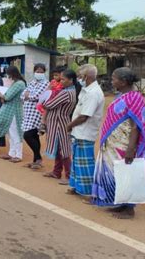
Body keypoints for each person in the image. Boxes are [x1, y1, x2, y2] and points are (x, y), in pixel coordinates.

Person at [92, 67, 145, 219]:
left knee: (126, 173)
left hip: (124, 144)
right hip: (112, 142)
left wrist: (131, 148)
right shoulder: (121, 95)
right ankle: (121, 202)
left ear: (124, 81)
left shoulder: (135, 98)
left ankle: (129, 209)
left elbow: (135, 126)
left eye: (114, 78)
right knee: (116, 172)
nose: (112, 81)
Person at [65, 64, 105, 197]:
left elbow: (84, 116)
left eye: (79, 76)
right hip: (79, 132)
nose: (78, 79)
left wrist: (69, 125)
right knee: (77, 162)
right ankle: (77, 187)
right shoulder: (87, 90)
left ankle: (89, 192)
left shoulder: (93, 93)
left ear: (86, 77)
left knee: (86, 164)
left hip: (85, 132)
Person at [42, 69, 78, 184]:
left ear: (71, 80)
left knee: (64, 149)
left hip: (60, 123)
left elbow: (48, 104)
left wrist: (48, 93)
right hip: (59, 121)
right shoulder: (68, 91)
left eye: (63, 79)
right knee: (58, 148)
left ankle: (68, 175)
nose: (60, 81)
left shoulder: (66, 93)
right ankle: (57, 172)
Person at [0, 66, 26, 162]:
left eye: (8, 74)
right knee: (11, 133)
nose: (7, 76)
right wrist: (3, 96)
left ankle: (18, 155)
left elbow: (7, 97)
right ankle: (12, 153)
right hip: (10, 111)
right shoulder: (16, 83)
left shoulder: (19, 84)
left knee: (15, 133)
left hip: (14, 112)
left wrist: (1, 95)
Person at [21, 63, 50, 169]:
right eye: (37, 71)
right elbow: (22, 95)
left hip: (37, 113)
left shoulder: (47, 84)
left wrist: (29, 96)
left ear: (44, 72)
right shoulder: (32, 82)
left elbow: (39, 96)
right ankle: (36, 160)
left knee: (28, 135)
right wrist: (28, 96)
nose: (39, 73)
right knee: (34, 136)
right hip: (28, 112)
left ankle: (38, 158)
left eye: (41, 72)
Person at [38, 66, 65, 135]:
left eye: (56, 75)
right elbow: (47, 90)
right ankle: (43, 124)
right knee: (44, 108)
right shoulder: (53, 81)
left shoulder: (63, 83)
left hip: (56, 100)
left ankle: (43, 124)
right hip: (49, 98)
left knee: (47, 109)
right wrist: (50, 88)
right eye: (54, 75)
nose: (54, 77)